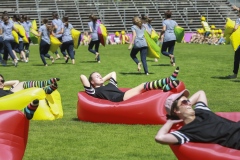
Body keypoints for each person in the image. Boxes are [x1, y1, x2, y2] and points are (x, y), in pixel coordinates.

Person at [155, 89, 240, 150]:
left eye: (188, 101)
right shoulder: (187, 132)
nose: (189, 103)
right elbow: (160, 137)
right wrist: (170, 122)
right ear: (176, 110)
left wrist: (186, 105)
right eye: (184, 102)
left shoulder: (201, 110)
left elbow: (200, 93)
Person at [80, 67, 179, 102]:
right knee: (142, 85)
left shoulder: (111, 85)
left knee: (147, 90)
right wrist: (95, 84)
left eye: (100, 75)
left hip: (124, 95)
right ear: (92, 82)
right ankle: (168, 80)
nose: (100, 77)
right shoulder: (94, 91)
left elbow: (113, 73)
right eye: (97, 76)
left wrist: (102, 80)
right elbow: (82, 76)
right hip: (119, 98)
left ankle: (166, 87)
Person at [226, 8, 240, 79]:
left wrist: (231, 32)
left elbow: (235, 28)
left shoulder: (238, 19)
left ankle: (235, 74)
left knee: (237, 58)